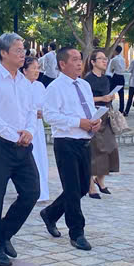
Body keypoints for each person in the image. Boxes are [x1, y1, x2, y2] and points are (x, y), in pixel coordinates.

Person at [0, 33, 41, 266]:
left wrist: (29, 131)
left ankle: (4, 233)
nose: (23, 54)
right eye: (18, 50)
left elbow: (31, 111)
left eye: (23, 49)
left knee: (32, 192)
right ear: (3, 53)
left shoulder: (24, 82)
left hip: (23, 146)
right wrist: (15, 136)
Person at [40, 46, 97, 251]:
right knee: (72, 189)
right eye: (74, 59)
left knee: (82, 187)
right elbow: (50, 115)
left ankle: (50, 213)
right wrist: (77, 122)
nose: (79, 63)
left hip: (84, 141)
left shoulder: (84, 85)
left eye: (80, 59)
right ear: (62, 64)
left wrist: (95, 121)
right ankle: (77, 232)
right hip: (66, 142)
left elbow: (89, 109)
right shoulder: (55, 87)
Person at [83, 49, 120, 198]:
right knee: (96, 150)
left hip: (106, 115)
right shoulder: (87, 79)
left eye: (105, 59)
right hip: (94, 115)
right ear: (93, 62)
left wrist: (110, 97)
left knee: (111, 147)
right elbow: (85, 99)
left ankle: (100, 179)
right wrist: (101, 99)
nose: (105, 61)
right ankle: (90, 185)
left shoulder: (106, 79)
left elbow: (106, 96)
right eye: (101, 59)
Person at [23, 56, 50, 199]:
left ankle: (41, 189)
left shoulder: (40, 86)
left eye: (38, 68)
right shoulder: (20, 85)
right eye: (33, 68)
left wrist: (42, 112)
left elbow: (46, 105)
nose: (36, 71)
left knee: (40, 156)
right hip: (24, 125)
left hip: (37, 126)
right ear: (25, 70)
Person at [108, 45, 127, 114]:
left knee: (111, 92)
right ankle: (121, 109)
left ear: (115, 51)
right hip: (122, 77)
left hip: (116, 76)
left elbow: (111, 69)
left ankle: (109, 106)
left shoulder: (114, 59)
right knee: (121, 94)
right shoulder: (123, 59)